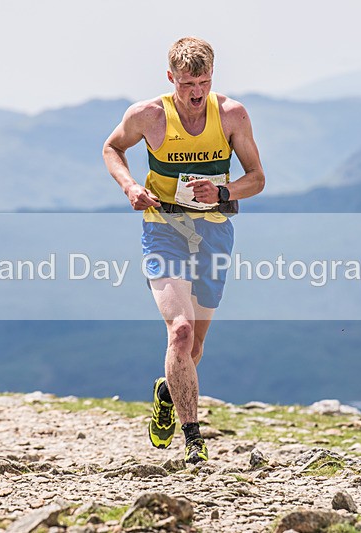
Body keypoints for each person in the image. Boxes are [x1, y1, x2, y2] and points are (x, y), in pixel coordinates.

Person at [102, 37, 265, 463]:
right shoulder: (148, 115)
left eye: (205, 82)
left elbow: (258, 178)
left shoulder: (231, 114)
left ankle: (167, 391)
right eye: (188, 83)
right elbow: (113, 148)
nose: (197, 93)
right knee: (180, 331)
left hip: (213, 231)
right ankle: (194, 441)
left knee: (193, 351)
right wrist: (131, 186)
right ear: (170, 78)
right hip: (163, 227)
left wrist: (223, 189)